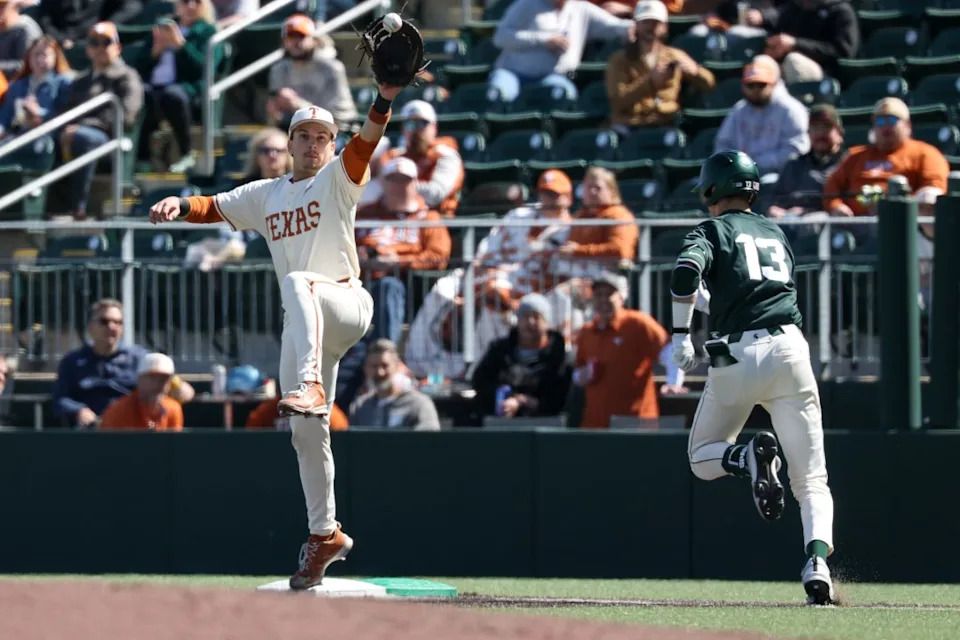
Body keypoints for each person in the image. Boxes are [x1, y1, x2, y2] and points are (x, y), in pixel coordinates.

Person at [148, 76, 407, 589]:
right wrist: (180, 203)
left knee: (297, 282)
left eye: (321, 137)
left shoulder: (338, 177)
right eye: (303, 136)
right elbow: (215, 205)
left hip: (346, 303)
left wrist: (384, 97)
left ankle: (309, 384)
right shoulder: (266, 195)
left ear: (330, 145)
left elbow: (369, 140)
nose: (312, 144)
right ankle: (324, 535)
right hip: (304, 323)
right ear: (287, 144)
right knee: (305, 432)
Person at [669, 149, 835, 605]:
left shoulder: (711, 229)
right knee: (812, 482)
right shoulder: (774, 231)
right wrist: (709, 304)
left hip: (735, 354)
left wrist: (681, 334)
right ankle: (817, 563)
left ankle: (744, 458)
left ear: (711, 188)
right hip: (790, 349)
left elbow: (685, 273)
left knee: (702, 457)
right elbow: (753, 291)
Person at [52, 298, 194, 428]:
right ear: (90, 327)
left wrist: (179, 387)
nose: (112, 327)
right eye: (104, 321)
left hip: (135, 429)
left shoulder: (139, 357)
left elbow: (165, 379)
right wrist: (78, 410)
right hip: (91, 431)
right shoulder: (72, 361)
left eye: (118, 322)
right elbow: (60, 398)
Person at [573, 271, 684, 428]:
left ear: (621, 297)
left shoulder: (637, 323)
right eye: (598, 294)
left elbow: (671, 351)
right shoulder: (587, 331)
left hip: (635, 424)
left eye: (609, 294)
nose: (603, 299)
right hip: (596, 425)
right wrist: (581, 376)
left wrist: (674, 383)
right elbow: (579, 370)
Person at [57, 21, 143, 219]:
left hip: (110, 139)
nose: (100, 48)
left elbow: (127, 115)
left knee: (84, 138)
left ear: (118, 47)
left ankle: (77, 207)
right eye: (94, 42)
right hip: (74, 134)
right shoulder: (81, 81)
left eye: (106, 42)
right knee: (43, 141)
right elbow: (66, 110)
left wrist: (82, 127)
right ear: (87, 49)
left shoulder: (127, 76)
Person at [132, 0, 222, 173]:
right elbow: (139, 67)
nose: (190, 6)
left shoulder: (207, 32)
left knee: (173, 95)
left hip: (188, 89)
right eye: (185, 1)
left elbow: (205, 68)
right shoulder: (162, 28)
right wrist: (155, 51)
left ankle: (186, 152)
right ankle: (142, 157)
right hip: (154, 86)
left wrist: (181, 46)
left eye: (197, 2)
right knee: (142, 95)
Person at [489, 0, 634, 102]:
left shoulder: (582, 9)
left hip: (552, 76)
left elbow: (613, 26)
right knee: (497, 94)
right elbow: (500, 37)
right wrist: (543, 40)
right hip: (513, 73)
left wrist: (630, 28)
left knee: (564, 96)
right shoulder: (527, 4)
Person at [606, 0, 715, 132]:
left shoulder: (675, 56)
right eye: (645, 22)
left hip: (666, 121)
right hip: (631, 123)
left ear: (665, 27)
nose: (650, 27)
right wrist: (649, 82)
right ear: (637, 25)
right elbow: (618, 101)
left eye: (655, 22)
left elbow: (710, 84)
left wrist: (696, 71)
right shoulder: (620, 60)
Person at [471, 293, 572, 419]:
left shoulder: (559, 356)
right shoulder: (499, 350)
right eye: (525, 316)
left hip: (545, 425)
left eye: (536, 317)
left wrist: (531, 403)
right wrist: (506, 398)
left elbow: (562, 395)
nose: (530, 322)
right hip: (501, 423)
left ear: (547, 322)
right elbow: (480, 381)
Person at [714, 55, 809, 176]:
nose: (756, 90)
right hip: (741, 174)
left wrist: (755, 164)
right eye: (751, 85)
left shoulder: (791, 109)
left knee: (770, 181)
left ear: (773, 84)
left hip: (779, 176)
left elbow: (796, 151)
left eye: (761, 84)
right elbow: (723, 144)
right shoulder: (739, 109)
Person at [369, 100, 463, 217]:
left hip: (435, 221)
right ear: (403, 129)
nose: (415, 130)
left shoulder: (445, 155)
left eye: (422, 123)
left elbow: (435, 194)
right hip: (396, 222)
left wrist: (396, 186)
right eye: (410, 124)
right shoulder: (395, 156)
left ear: (434, 127)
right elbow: (376, 190)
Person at [267, 14, 355, 132]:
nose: (296, 42)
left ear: (314, 40)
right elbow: (276, 111)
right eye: (290, 37)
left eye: (301, 36)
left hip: (338, 129)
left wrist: (297, 104)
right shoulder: (279, 69)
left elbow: (334, 116)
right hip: (295, 128)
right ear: (284, 42)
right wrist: (275, 113)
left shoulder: (331, 68)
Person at [0, 36, 73, 166]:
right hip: (18, 134)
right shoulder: (17, 85)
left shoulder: (64, 83)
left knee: (40, 147)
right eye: (35, 55)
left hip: (47, 136)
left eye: (44, 55)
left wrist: (39, 113)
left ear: (56, 57)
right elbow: (5, 116)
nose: (39, 59)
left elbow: (64, 114)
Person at [765, 103, 845, 219]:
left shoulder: (848, 162)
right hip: (790, 220)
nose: (821, 133)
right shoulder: (794, 164)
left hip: (828, 223)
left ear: (839, 133)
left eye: (827, 127)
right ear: (808, 133)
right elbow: (777, 201)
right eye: (815, 128)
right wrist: (774, 210)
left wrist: (807, 211)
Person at [348, 339, 441, 430]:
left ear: (397, 366)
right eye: (374, 366)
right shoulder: (359, 407)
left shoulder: (419, 404)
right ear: (366, 369)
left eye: (385, 365)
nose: (380, 372)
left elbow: (430, 441)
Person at [98, 352, 184, 431]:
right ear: (139, 379)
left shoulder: (174, 409)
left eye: (164, 379)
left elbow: (173, 445)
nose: (158, 383)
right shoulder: (118, 411)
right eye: (152, 377)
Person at [0, 0, 42, 79]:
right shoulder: (2, 29)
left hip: (24, 86)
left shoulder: (25, 28)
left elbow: (26, 65)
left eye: (2, 5)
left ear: (14, 6)